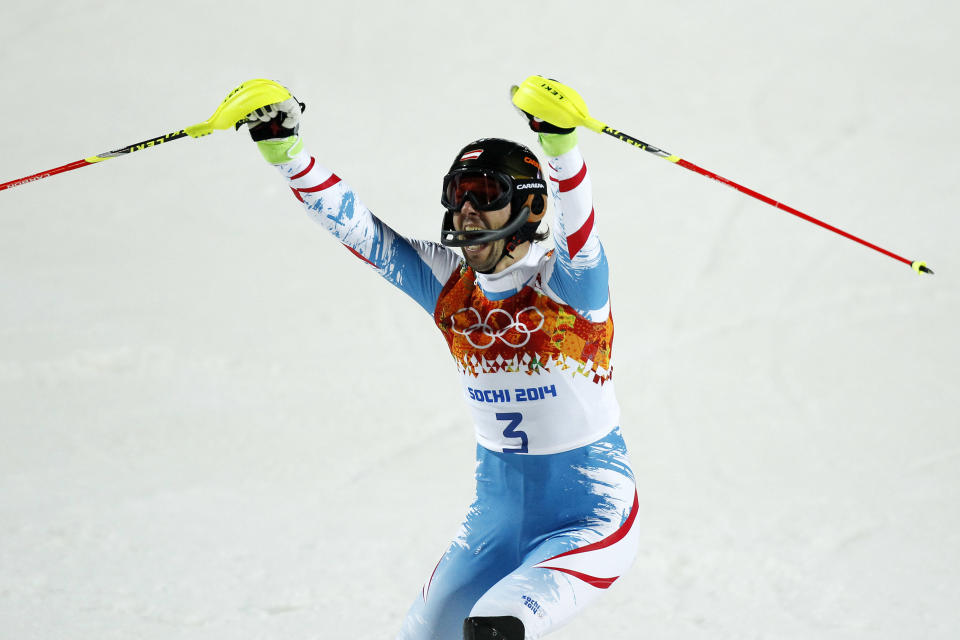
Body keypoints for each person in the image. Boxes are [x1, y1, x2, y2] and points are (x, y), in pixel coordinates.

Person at [244, 79, 639, 640]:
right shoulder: (450, 286)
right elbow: (356, 228)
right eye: (458, 194)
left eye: (485, 192)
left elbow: (581, 226)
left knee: (493, 628)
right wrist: (285, 150)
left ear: (529, 205)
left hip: (589, 518)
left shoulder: (570, 287)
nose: (468, 211)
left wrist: (560, 143)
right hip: (496, 521)